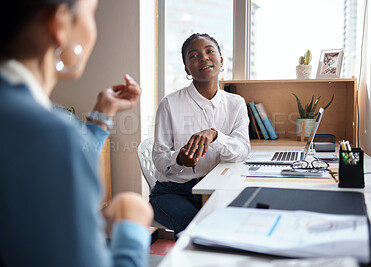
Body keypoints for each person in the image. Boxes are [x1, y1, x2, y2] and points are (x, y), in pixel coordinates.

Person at [0, 0, 153, 266]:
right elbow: (53, 147)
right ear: (59, 22)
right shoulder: (51, 134)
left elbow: (45, 161)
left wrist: (103, 112)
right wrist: (132, 226)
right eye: (91, 12)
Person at [150, 33, 250, 237]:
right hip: (173, 192)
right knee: (197, 231)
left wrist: (215, 136)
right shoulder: (170, 104)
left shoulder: (236, 103)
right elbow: (159, 159)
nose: (203, 57)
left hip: (217, 188)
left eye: (210, 51)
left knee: (237, 225)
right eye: (193, 56)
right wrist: (178, 159)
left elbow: (242, 151)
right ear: (187, 68)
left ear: (221, 61)